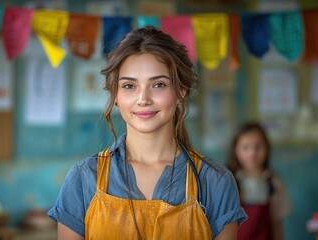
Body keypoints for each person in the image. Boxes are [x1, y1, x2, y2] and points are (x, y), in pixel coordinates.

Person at [47, 26, 247, 239]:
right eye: (129, 86)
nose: (143, 98)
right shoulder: (83, 178)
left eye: (159, 85)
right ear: (115, 95)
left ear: (181, 91)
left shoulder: (214, 181)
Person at [226, 122, 291, 240]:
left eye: (258, 146)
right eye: (245, 147)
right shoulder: (229, 182)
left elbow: (276, 223)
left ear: (267, 148)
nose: (252, 153)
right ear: (235, 150)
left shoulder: (274, 182)